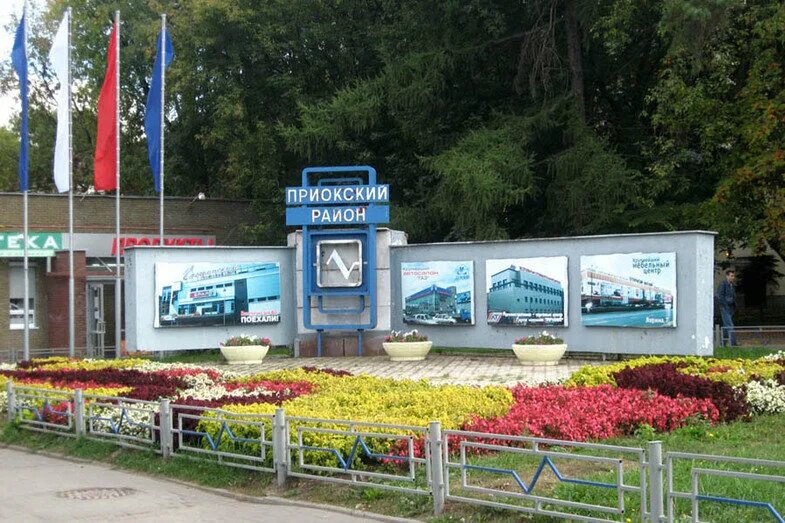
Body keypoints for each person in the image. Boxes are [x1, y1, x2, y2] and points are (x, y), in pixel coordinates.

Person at [717, 269, 737, 346]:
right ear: (727, 276)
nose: (733, 277)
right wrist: (725, 305)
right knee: (730, 325)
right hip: (725, 307)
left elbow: (733, 296)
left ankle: (723, 343)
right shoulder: (723, 284)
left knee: (726, 325)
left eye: (733, 276)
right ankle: (733, 343)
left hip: (730, 307)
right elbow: (720, 296)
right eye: (731, 276)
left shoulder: (732, 285)